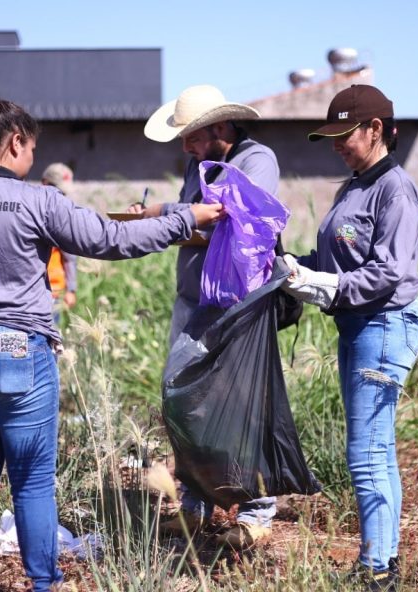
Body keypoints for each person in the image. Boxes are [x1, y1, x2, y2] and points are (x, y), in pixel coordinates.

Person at [0, 89, 223, 592]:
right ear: (15, 143)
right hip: (16, 352)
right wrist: (187, 217)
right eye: (31, 150)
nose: (33, 159)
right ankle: (43, 584)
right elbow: (111, 241)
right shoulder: (40, 201)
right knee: (30, 481)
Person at [281, 84, 418, 591]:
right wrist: (299, 267)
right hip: (358, 325)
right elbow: (339, 262)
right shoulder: (354, 186)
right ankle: (384, 559)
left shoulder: (394, 189)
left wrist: (325, 285)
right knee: (377, 449)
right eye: (332, 136)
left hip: (383, 325)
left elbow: (387, 271)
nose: (337, 144)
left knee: (365, 454)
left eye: (346, 134)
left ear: (376, 130)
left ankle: (376, 570)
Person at [127, 84, 280, 548]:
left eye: (191, 137)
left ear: (219, 127)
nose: (186, 147)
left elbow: (238, 218)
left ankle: (256, 508)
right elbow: (195, 212)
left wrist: (172, 215)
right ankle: (194, 503)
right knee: (184, 400)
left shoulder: (257, 159)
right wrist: (169, 213)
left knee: (242, 403)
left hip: (238, 304)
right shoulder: (197, 164)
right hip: (193, 299)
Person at [41, 162, 78, 323]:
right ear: (44, 183)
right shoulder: (29, 211)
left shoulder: (62, 217)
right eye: (57, 191)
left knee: (50, 343)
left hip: (53, 292)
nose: (60, 197)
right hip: (26, 294)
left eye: (63, 193)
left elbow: (70, 257)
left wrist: (71, 289)